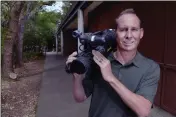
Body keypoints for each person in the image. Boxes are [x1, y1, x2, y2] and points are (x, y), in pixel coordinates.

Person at [66, 8, 160, 117]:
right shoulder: (98, 60)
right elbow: (80, 97)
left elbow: (143, 111)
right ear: (116, 33)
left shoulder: (150, 67)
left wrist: (111, 78)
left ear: (141, 33)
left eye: (134, 29)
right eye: (123, 29)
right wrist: (77, 77)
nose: (129, 35)